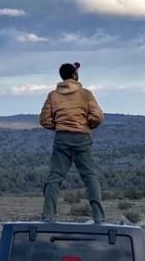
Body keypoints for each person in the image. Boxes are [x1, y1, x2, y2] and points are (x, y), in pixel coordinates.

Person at [39, 62, 105, 224]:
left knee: (55, 177)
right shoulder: (86, 94)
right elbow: (97, 116)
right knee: (90, 176)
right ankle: (99, 218)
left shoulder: (53, 95)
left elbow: (44, 120)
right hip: (82, 137)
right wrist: (87, 125)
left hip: (61, 138)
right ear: (75, 75)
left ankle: (48, 217)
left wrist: (58, 126)